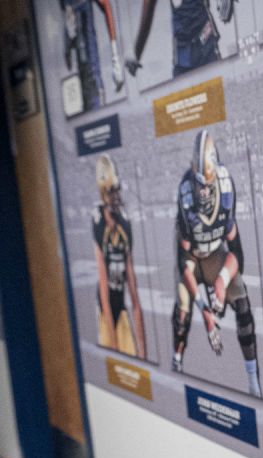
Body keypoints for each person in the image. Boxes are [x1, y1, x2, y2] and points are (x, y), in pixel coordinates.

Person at [171, 130, 263, 397]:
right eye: (199, 184)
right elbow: (183, 263)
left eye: (207, 185)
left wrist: (221, 282)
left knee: (243, 306)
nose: (202, 191)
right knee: (182, 313)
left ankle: (253, 379)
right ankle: (177, 360)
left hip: (214, 254)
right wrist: (205, 310)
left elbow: (237, 252)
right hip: (192, 259)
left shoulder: (225, 188)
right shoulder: (185, 196)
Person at [93, 154, 146, 358]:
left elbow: (134, 293)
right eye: (111, 191)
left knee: (133, 356)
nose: (115, 196)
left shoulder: (124, 227)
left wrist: (143, 353)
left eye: (116, 190)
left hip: (120, 305)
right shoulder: (99, 224)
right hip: (104, 308)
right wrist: (113, 344)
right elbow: (104, 284)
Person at [126, 0, 231, 79]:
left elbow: (147, 15)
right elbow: (147, 15)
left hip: (205, 45)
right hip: (183, 55)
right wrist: (136, 55)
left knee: (216, 97)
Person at [62, 0, 125, 110]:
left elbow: (105, 4)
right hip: (81, 73)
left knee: (95, 100)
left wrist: (115, 58)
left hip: (91, 71)